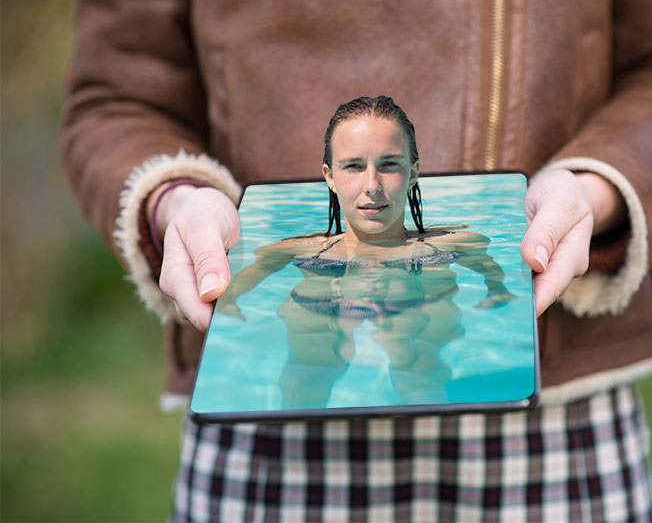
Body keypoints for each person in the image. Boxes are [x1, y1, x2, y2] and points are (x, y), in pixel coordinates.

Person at [61, 0, 652, 521]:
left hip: (554, 402)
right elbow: (117, 97)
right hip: (270, 407)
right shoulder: (303, 251)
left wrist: (595, 188)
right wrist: (175, 200)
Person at [216, 95, 516, 409]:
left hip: (416, 318)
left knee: (418, 366)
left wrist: (497, 290)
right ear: (329, 176)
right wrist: (229, 302)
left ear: (413, 173)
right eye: (354, 167)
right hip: (321, 315)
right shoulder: (303, 250)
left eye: (388, 165)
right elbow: (249, 274)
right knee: (306, 376)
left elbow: (490, 269)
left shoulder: (452, 244)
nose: (371, 185)